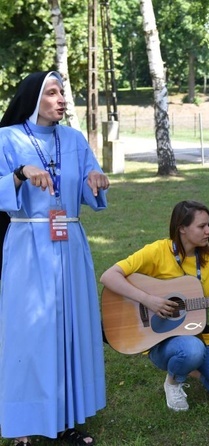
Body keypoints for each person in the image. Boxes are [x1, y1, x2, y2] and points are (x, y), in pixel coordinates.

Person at [0, 71, 109, 446]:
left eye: (63, 92)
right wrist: (19, 174)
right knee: (30, 334)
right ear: (33, 98)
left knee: (69, 332)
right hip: (29, 245)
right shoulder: (6, 138)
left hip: (70, 246)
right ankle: (23, 430)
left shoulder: (75, 139)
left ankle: (63, 422)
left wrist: (95, 179)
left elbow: (85, 185)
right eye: (52, 92)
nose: (61, 98)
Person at [100, 200, 209, 412]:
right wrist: (148, 300)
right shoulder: (157, 251)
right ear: (182, 228)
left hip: (197, 333)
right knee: (192, 349)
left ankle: (194, 370)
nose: (208, 231)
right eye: (202, 226)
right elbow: (108, 276)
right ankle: (173, 382)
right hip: (159, 340)